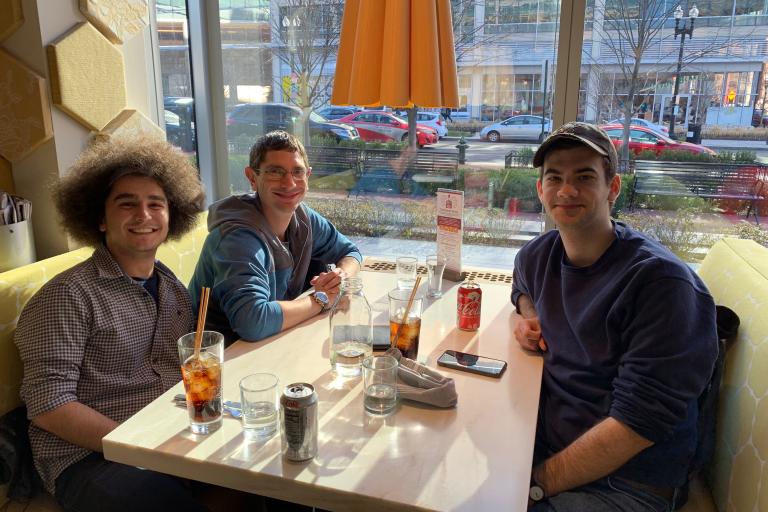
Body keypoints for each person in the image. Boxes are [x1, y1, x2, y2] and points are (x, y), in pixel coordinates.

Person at [510, 122, 718, 511]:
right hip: (551, 441)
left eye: (584, 177)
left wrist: (533, 483)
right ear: (541, 190)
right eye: (554, 178)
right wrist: (530, 315)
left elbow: (637, 425)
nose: (566, 190)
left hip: (628, 482)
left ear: (613, 188)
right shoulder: (537, 256)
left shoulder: (660, 283)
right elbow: (520, 286)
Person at [13, 137, 210, 511]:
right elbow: (49, 405)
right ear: (100, 219)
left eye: (156, 204)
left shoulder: (172, 288)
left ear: (172, 216)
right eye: (127, 204)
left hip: (165, 434)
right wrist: (143, 446)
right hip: (88, 457)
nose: (144, 215)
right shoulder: (68, 296)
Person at [189, 131, 362, 345]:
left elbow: (351, 252)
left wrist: (339, 278)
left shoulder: (304, 218)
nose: (289, 183)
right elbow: (252, 322)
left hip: (272, 341)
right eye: (275, 172)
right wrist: (321, 298)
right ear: (252, 178)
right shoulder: (237, 238)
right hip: (219, 355)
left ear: (308, 176)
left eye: (297, 172)